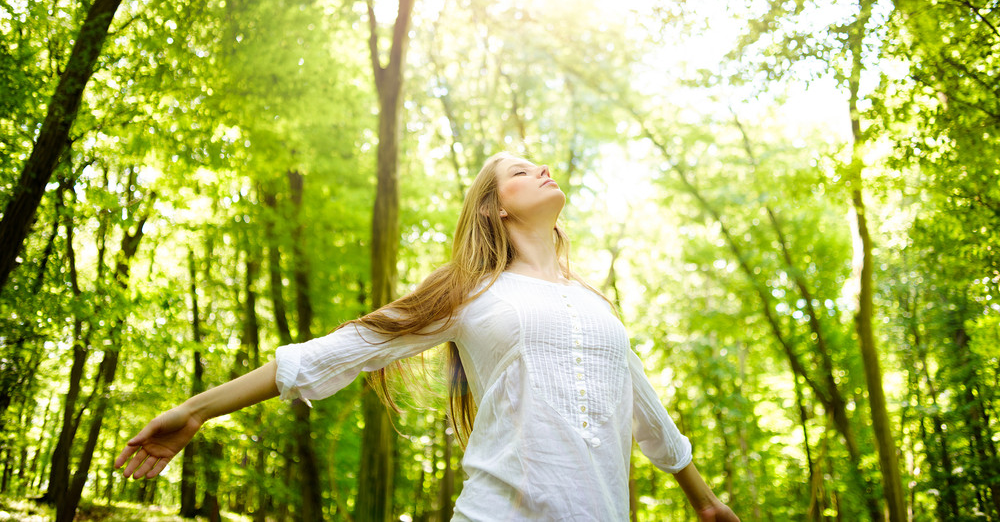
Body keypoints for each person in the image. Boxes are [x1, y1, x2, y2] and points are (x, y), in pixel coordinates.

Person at [115, 152, 739, 521]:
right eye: (521, 171)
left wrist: (705, 503)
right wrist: (195, 411)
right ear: (496, 206)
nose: (543, 168)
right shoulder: (469, 290)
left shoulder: (596, 307)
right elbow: (345, 349)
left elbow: (646, 412)